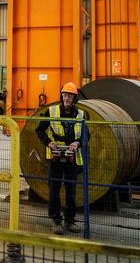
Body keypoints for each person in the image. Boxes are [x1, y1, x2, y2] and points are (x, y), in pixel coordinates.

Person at [35, 82, 86, 235]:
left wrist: (78, 143)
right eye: (64, 95)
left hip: (72, 158)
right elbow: (39, 130)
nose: (66, 98)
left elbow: (86, 135)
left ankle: (70, 220)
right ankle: (56, 220)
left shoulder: (81, 114)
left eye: (70, 96)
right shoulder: (51, 111)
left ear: (74, 98)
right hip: (55, 157)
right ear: (61, 96)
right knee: (54, 190)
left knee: (71, 190)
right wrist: (49, 142)